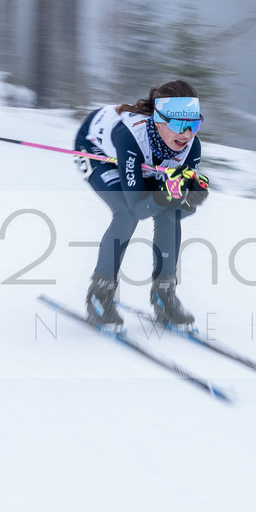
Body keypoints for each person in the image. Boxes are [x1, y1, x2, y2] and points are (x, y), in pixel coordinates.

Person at [73, 80, 209, 331]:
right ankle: (99, 295)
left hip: (141, 162)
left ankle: (164, 295)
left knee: (169, 213)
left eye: (194, 124)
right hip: (98, 150)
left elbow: (179, 210)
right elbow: (138, 208)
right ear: (158, 120)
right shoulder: (130, 136)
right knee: (125, 214)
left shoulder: (191, 147)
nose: (187, 133)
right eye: (179, 124)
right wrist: (167, 194)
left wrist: (191, 199)